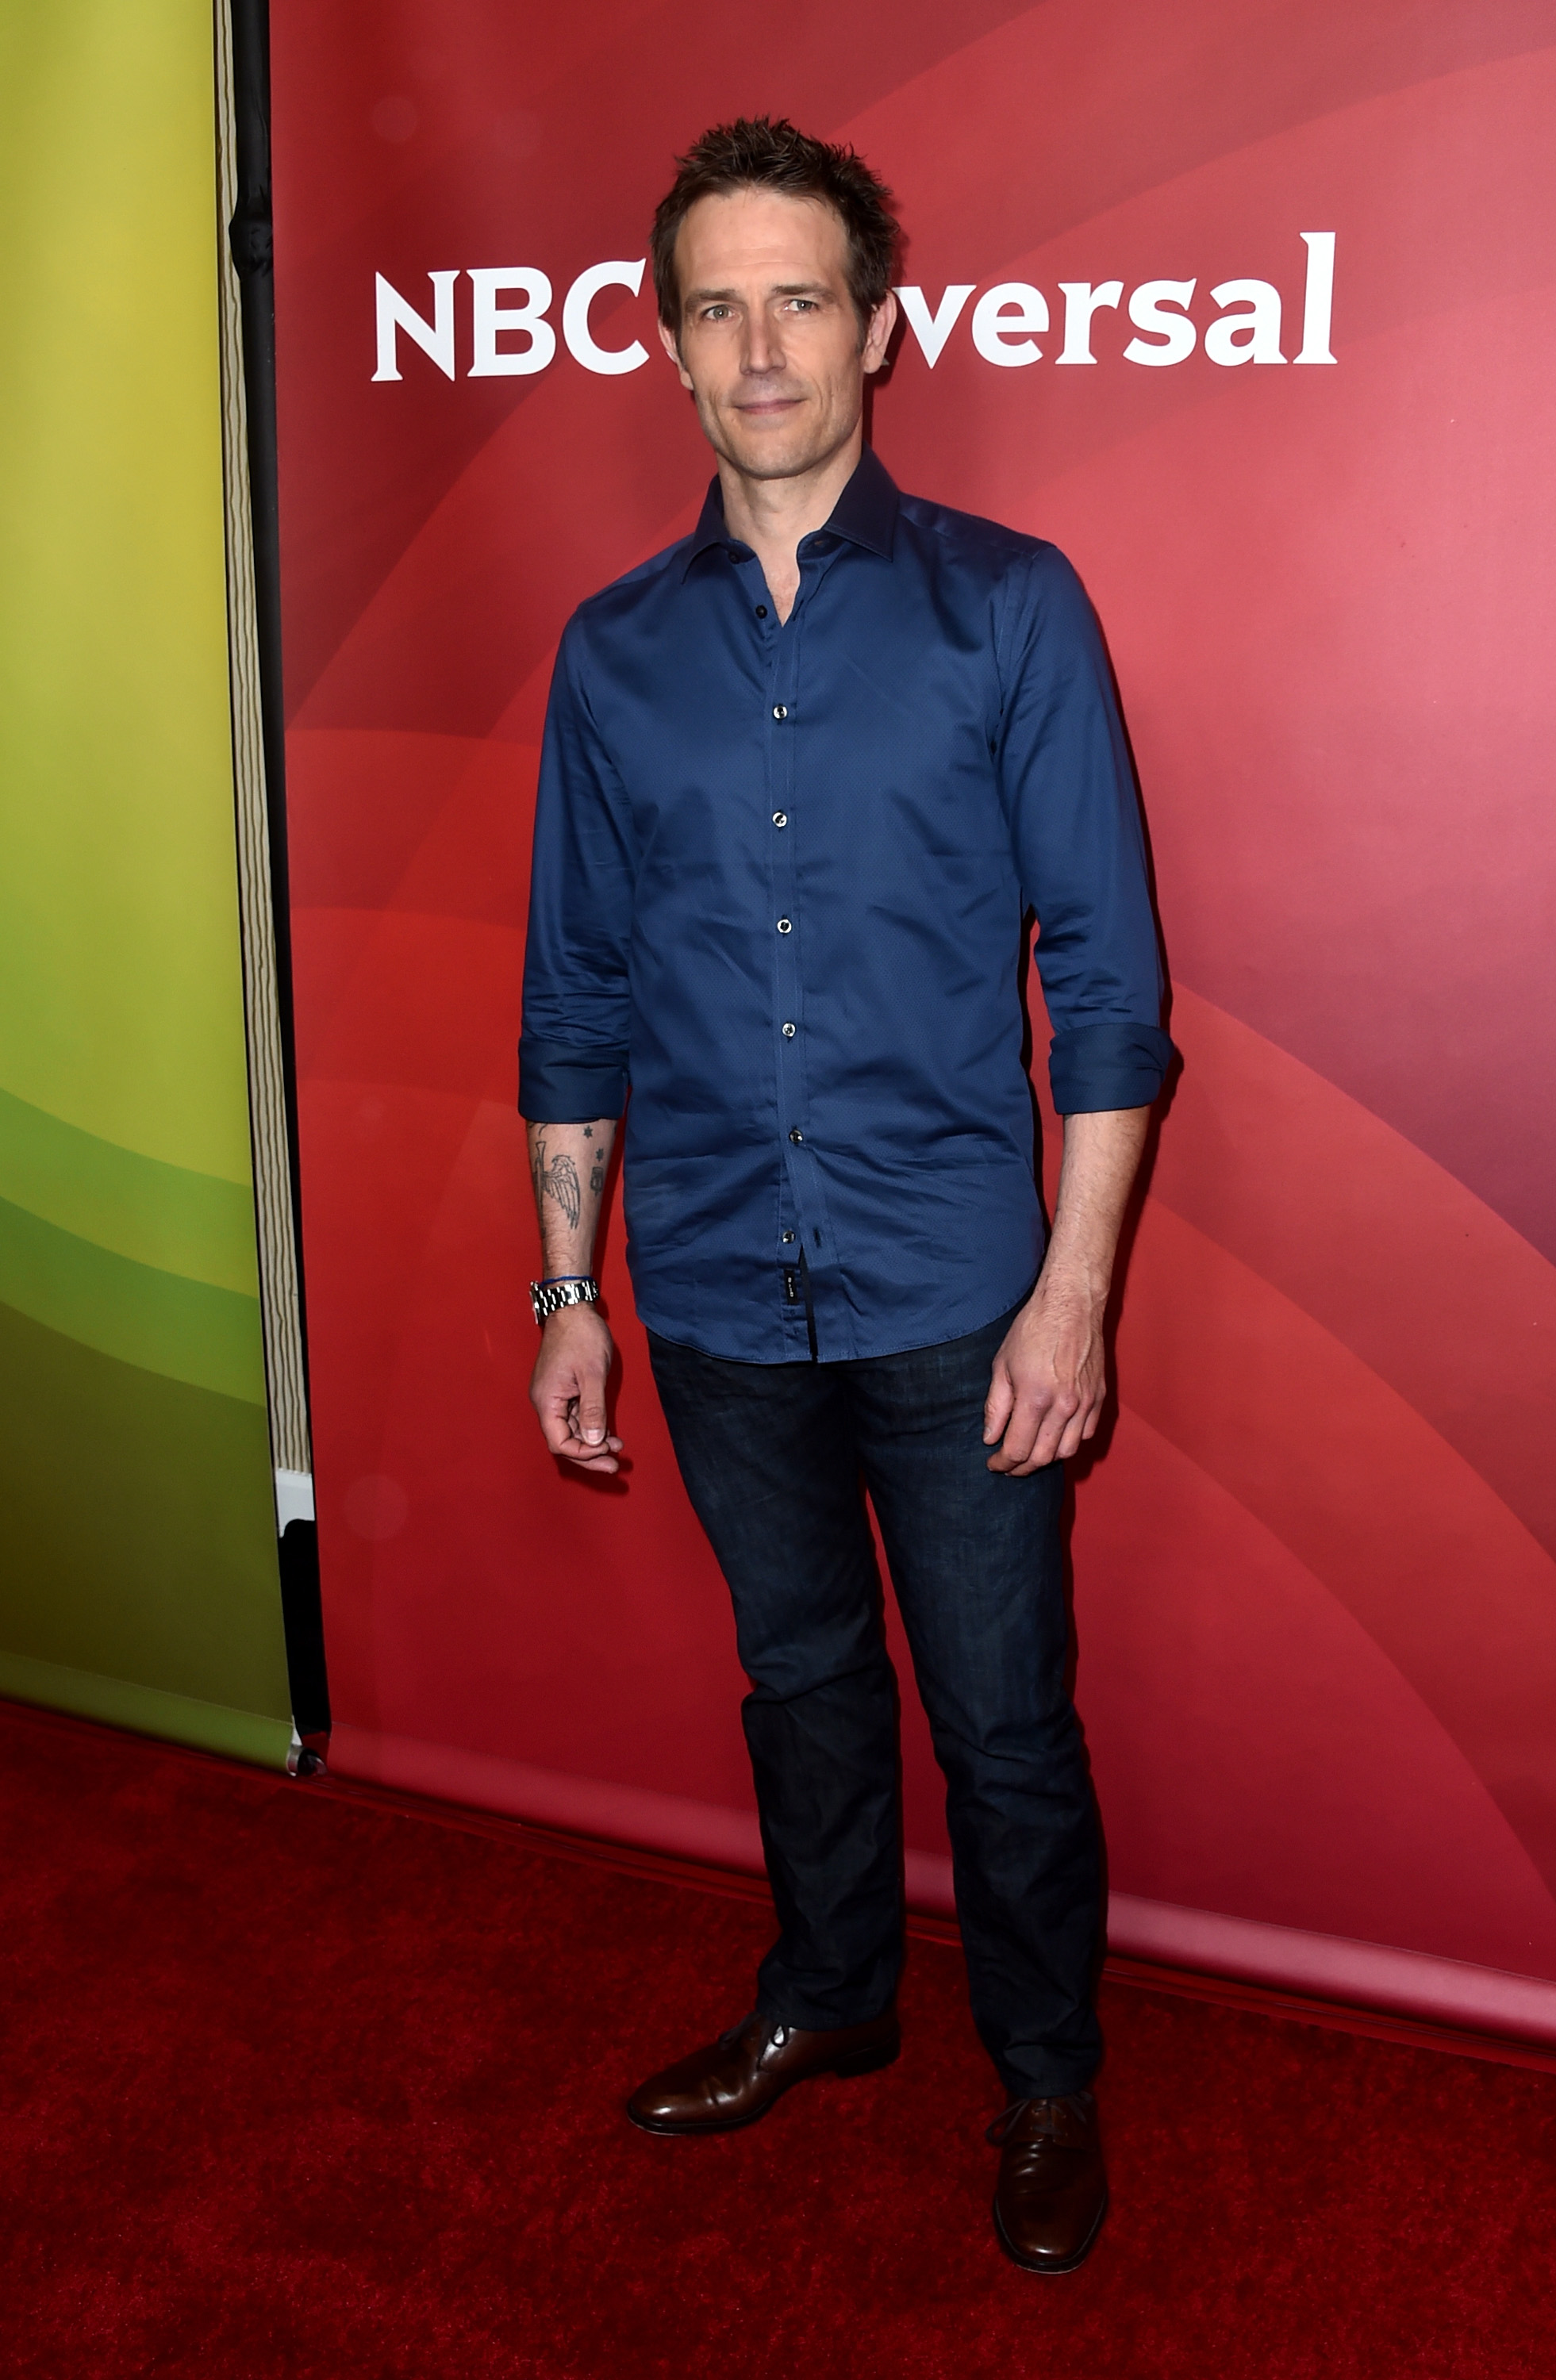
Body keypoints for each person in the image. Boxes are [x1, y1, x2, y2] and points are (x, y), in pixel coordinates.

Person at [519, 116, 1172, 2274]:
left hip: (957, 1295)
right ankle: (827, 2000)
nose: (761, 343)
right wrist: (565, 1282)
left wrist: (1072, 1298)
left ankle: (1045, 2079)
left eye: (800, 295)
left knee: (1000, 1723)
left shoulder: (1010, 609)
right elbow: (576, 982)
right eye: (717, 303)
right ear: (670, 347)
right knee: (796, 1678)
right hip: (709, 1287)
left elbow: (1106, 981)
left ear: (875, 331)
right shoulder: (611, 654)